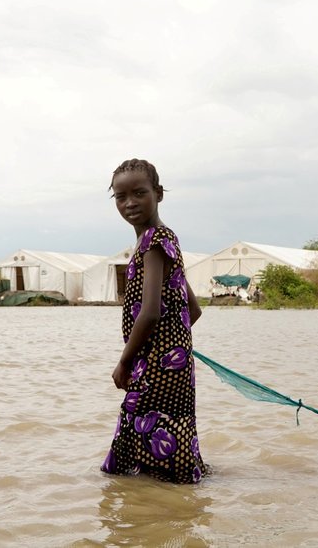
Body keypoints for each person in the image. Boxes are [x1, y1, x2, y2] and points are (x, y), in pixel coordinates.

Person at [100, 158, 206, 484]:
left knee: (139, 424)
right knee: (165, 426)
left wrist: (125, 362)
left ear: (158, 194)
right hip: (169, 360)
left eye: (140, 193)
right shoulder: (165, 239)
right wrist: (175, 347)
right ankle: (173, 492)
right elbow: (194, 308)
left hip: (158, 363)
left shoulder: (152, 241)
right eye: (121, 196)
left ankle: (146, 503)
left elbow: (150, 312)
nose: (130, 203)